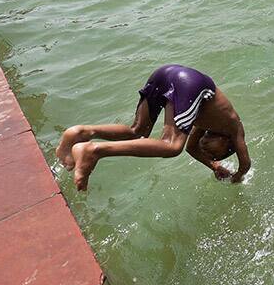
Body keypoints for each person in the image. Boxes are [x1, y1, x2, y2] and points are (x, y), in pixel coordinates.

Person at [55, 64, 251, 191]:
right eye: (216, 154)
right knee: (172, 146)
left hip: (166, 73)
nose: (207, 151)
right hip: (192, 84)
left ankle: (80, 132)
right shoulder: (234, 128)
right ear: (227, 143)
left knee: (138, 131)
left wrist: (214, 166)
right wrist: (237, 177)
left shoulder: (207, 125)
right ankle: (94, 150)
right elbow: (245, 164)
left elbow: (192, 149)